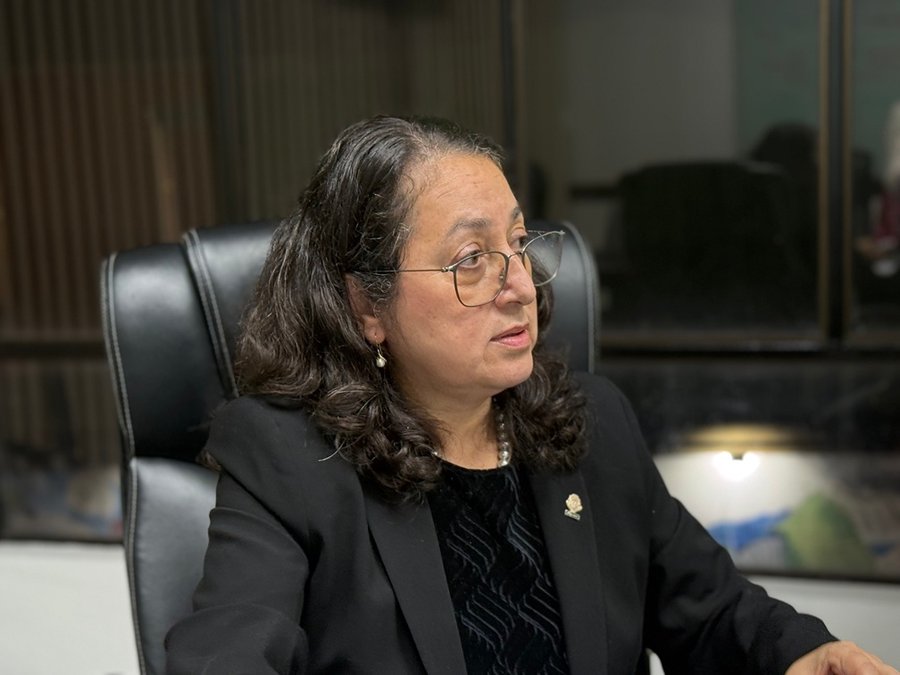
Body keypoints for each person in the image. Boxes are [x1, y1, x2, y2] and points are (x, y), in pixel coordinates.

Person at [166, 115, 898, 675]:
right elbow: (225, 655)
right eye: (471, 259)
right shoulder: (290, 457)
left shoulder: (590, 421)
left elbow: (713, 611)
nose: (520, 284)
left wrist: (805, 653)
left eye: (518, 244)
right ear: (366, 306)